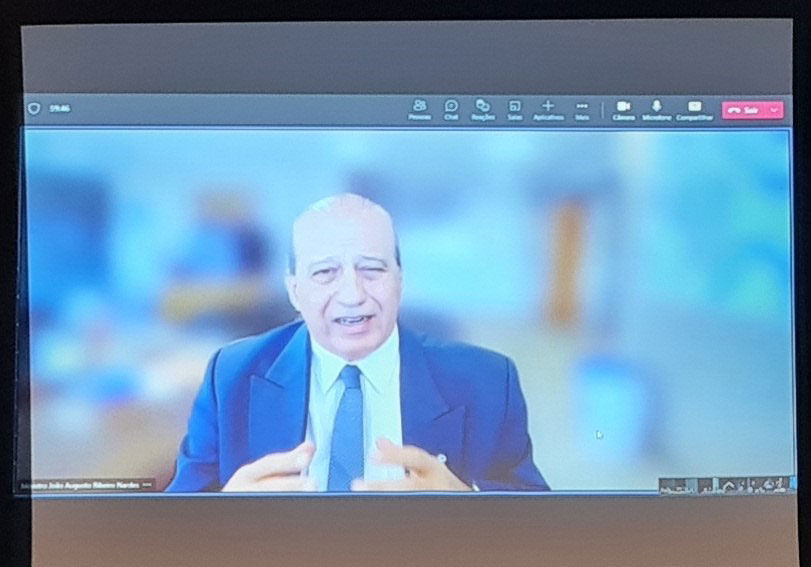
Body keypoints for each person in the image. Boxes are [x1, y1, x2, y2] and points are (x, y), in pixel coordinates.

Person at [166, 193, 548, 492]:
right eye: (325, 272)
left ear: (399, 280)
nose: (353, 295)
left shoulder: (488, 380)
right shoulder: (230, 375)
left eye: (372, 269)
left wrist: (469, 502)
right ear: (294, 290)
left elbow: (540, 526)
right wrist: (226, 508)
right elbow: (173, 526)